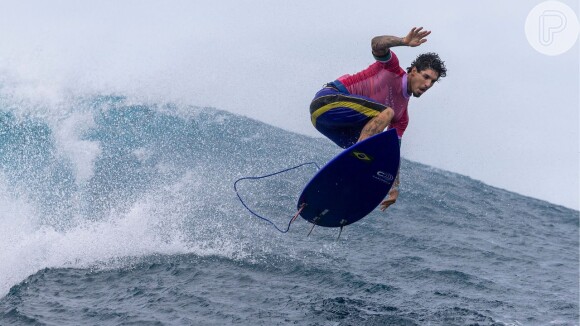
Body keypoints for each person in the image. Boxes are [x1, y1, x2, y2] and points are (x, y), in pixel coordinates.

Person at [309, 27, 447, 211]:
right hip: (327, 102)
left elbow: (393, 153)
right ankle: (353, 165)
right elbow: (376, 44)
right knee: (386, 114)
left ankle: (340, 191)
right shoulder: (391, 68)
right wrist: (403, 41)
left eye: (432, 82)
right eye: (426, 77)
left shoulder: (402, 116)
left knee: (378, 151)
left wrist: (393, 188)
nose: (428, 84)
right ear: (413, 71)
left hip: (328, 125)